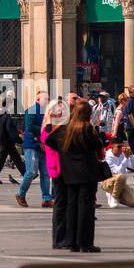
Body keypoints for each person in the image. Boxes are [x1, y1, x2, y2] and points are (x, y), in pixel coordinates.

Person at [44, 100, 104, 253]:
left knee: (71, 208)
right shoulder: (88, 129)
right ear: (88, 114)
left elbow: (48, 140)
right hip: (87, 173)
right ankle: (85, 243)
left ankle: (71, 241)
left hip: (69, 174)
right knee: (86, 209)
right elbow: (99, 150)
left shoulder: (64, 129)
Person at [15, 90, 53, 208]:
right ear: (38, 100)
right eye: (46, 99)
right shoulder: (32, 110)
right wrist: (41, 136)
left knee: (46, 173)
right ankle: (20, 193)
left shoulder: (47, 111)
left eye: (48, 99)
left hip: (43, 144)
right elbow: (30, 127)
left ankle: (46, 198)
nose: (48, 101)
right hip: (32, 144)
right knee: (31, 171)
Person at [41, 98, 69, 248]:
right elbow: (47, 140)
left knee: (66, 204)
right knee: (60, 204)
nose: (62, 112)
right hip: (56, 168)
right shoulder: (48, 128)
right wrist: (50, 120)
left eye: (63, 109)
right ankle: (58, 239)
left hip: (67, 167)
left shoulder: (63, 126)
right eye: (58, 110)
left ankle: (66, 237)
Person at [0, 95, 24, 185]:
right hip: (5, 140)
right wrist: (19, 139)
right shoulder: (6, 115)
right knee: (0, 159)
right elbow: (10, 129)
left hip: (5, 140)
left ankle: (26, 173)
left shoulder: (3, 114)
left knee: (15, 158)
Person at [104, 142, 134, 208]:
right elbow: (119, 172)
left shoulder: (123, 154)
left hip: (120, 182)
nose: (121, 149)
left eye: (122, 147)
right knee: (121, 176)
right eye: (118, 147)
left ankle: (119, 196)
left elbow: (133, 167)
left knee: (133, 203)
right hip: (107, 182)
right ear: (112, 146)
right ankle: (113, 196)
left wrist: (130, 154)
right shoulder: (107, 156)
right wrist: (126, 158)